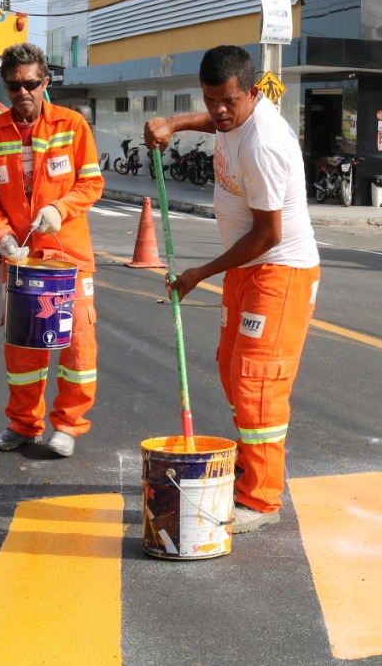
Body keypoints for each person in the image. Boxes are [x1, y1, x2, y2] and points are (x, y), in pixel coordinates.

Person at [144, 45, 320, 533]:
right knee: (230, 368)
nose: (220, 110)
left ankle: (262, 498)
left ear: (254, 92)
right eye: (211, 98)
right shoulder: (234, 119)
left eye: (230, 101)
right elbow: (217, 122)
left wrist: (200, 273)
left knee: (256, 380)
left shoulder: (264, 145)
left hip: (279, 271)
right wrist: (175, 125)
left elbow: (268, 235)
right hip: (248, 269)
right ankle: (248, 470)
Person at [0, 42, 105, 457]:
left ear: (45, 82)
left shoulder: (71, 125)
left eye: (31, 83)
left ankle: (67, 427)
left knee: (77, 345)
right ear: (5, 87)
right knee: (22, 347)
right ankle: (23, 426)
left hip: (69, 259)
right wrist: (2, 235)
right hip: (21, 259)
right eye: (14, 86)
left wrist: (59, 209)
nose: (23, 92)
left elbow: (91, 183)